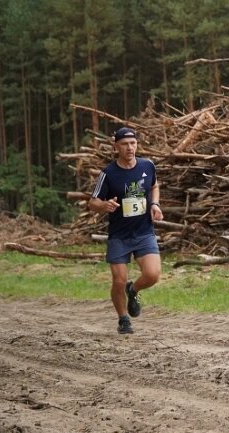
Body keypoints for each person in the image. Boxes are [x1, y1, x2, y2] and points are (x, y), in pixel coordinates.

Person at [88, 127, 163, 334]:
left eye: (133, 143)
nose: (129, 148)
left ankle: (134, 289)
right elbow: (92, 202)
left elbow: (155, 186)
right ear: (116, 147)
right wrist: (104, 206)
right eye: (124, 144)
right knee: (118, 280)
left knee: (153, 275)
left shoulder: (147, 165)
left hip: (144, 232)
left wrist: (155, 204)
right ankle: (123, 319)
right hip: (119, 235)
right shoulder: (108, 174)